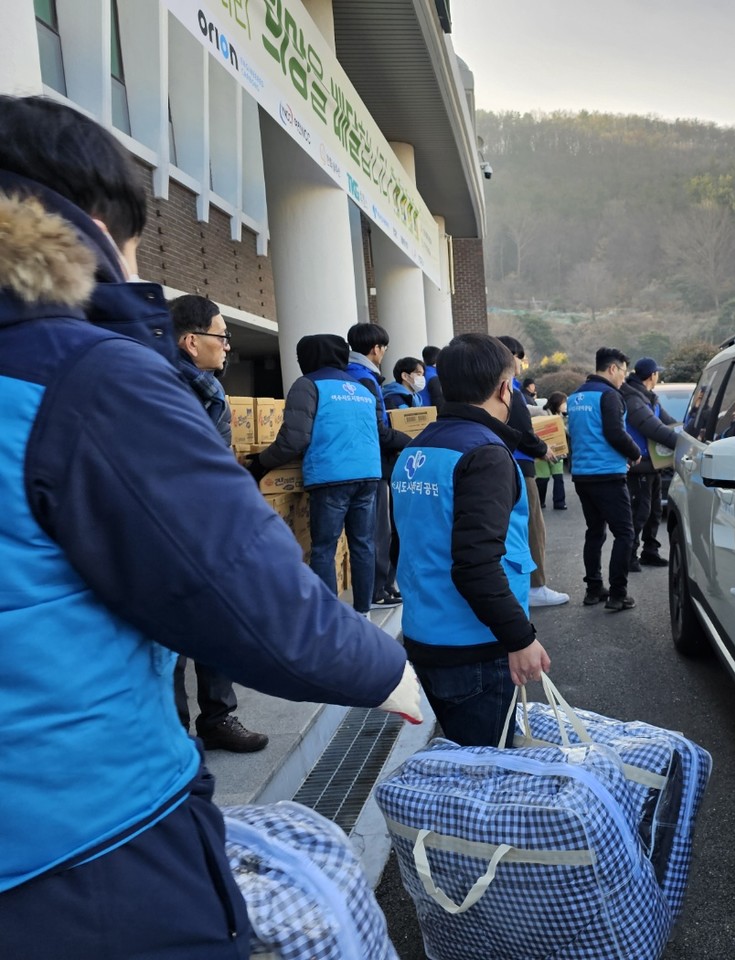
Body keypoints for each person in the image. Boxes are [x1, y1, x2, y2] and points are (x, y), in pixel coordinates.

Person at [0, 94, 421, 958]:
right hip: (81, 845)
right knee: (344, 552)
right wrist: (383, 667)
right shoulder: (86, 375)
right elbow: (240, 592)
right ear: (98, 229)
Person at [393, 333, 551, 746]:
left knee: (467, 757)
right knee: (487, 767)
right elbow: (476, 563)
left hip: (427, 632)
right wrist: (520, 637)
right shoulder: (485, 454)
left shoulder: (417, 448)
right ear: (505, 388)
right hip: (474, 643)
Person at [169, 293, 268, 753]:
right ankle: (174, 734)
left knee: (216, 622)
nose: (228, 345)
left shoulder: (211, 392)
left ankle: (218, 718)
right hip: (171, 525)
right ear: (191, 341)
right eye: (222, 336)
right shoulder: (161, 389)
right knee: (172, 637)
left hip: (211, 523)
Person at [251, 335, 382, 617]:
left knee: (323, 548)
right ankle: (364, 613)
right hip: (369, 474)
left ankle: (329, 617)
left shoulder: (308, 384)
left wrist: (260, 463)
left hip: (331, 476)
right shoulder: (362, 388)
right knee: (363, 544)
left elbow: (294, 439)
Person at [566, 347, 643, 611]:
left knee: (595, 532)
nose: (624, 377)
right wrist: (635, 453)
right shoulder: (609, 395)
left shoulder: (575, 396)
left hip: (582, 475)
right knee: (625, 533)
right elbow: (615, 433)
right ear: (612, 368)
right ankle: (618, 594)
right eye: (623, 371)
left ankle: (594, 589)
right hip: (607, 474)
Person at [497, 335, 570, 608]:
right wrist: (543, 449)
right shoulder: (510, 391)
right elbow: (523, 434)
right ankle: (535, 586)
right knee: (531, 529)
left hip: (499, 465)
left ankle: (516, 585)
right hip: (520, 466)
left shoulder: (491, 390)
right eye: (520, 358)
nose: (521, 363)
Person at [347, 322, 411, 607]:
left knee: (372, 532)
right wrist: (409, 440)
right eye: (384, 348)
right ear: (376, 349)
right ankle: (378, 589)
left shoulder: (348, 374)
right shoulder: (365, 379)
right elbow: (378, 428)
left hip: (358, 462)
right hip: (373, 463)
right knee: (379, 532)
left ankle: (380, 587)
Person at [620, 357, 681, 571]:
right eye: (657, 373)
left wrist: (689, 433)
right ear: (652, 375)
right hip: (639, 465)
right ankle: (629, 555)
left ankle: (650, 551)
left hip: (653, 464)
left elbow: (668, 423)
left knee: (654, 511)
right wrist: (682, 443)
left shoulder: (650, 398)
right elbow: (653, 428)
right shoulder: (633, 399)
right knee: (639, 512)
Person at [536, 390, 569, 510]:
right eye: (564, 403)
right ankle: (539, 502)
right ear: (557, 403)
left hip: (558, 451)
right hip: (542, 452)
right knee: (543, 478)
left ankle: (559, 502)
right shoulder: (543, 413)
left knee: (558, 477)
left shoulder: (563, 416)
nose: (565, 405)